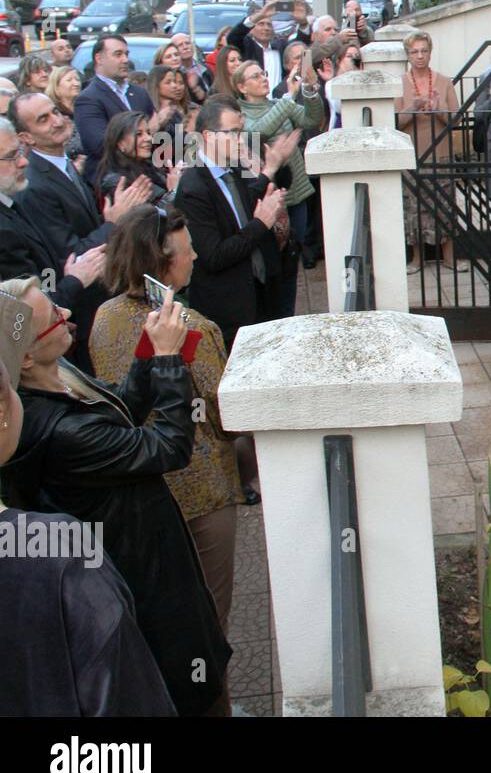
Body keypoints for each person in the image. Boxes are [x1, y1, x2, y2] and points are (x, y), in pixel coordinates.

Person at [0, 275, 232, 716]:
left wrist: (149, 348)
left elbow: (123, 408)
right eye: (54, 318)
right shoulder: (61, 432)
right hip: (143, 580)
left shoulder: (57, 376)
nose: (68, 313)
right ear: (25, 356)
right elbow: (168, 447)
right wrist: (168, 359)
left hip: (146, 556)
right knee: (194, 693)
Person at [90, 204, 244, 636]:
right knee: (212, 617)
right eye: (187, 250)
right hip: (203, 494)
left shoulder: (104, 317)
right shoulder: (192, 328)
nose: (194, 257)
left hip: (141, 487)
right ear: (160, 260)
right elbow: (225, 415)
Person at [174, 95, 290, 349]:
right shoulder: (193, 188)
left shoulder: (234, 168)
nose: (241, 140)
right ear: (208, 136)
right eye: (233, 133)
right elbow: (214, 256)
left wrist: (270, 170)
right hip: (231, 308)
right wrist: (261, 222)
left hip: (260, 291)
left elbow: (243, 205)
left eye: (241, 132)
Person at [0, 116, 107, 359]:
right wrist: (75, 280)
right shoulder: (3, 231)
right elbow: (27, 313)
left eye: (20, 152)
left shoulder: (10, 202)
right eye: (11, 157)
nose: (23, 161)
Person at [233, 58, 320, 318]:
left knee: (292, 260)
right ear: (241, 87)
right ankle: (275, 318)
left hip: (297, 195)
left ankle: (289, 315)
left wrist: (309, 90)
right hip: (268, 200)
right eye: (255, 76)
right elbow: (258, 131)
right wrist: (288, 97)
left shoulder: (277, 104)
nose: (263, 78)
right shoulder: (240, 114)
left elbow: (312, 119)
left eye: (263, 73)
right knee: (274, 265)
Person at [396, 31, 461, 264]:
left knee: (444, 206)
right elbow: (394, 123)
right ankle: (416, 259)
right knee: (413, 208)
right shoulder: (400, 83)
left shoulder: (443, 82)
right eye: (414, 52)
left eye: (424, 50)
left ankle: (450, 258)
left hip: (440, 153)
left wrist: (438, 108)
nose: (420, 56)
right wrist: (412, 107)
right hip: (411, 154)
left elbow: (456, 119)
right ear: (408, 55)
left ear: (431, 53)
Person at [72, 35, 157, 180]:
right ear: (99, 59)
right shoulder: (88, 99)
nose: (125, 60)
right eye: (118, 54)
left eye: (126, 54)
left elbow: (155, 134)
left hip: (146, 173)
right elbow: (100, 146)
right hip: (113, 180)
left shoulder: (140, 93)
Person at [95, 110, 178, 206]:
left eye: (148, 132)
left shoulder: (148, 167)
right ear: (120, 143)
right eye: (139, 134)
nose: (149, 138)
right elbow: (147, 216)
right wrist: (174, 192)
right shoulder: (116, 182)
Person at [227, 2, 310, 93]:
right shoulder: (247, 46)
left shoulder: (281, 46)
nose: (266, 28)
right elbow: (233, 37)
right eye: (261, 24)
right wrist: (260, 15)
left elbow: (301, 47)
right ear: (251, 29)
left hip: (281, 100)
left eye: (269, 24)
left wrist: (303, 23)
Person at [45, 64, 85, 161]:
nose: (76, 84)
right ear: (56, 87)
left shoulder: (85, 107)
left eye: (77, 79)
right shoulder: (54, 114)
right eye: (69, 80)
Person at [146, 64, 198, 136]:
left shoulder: (174, 112)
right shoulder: (149, 112)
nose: (174, 86)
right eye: (168, 82)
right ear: (156, 86)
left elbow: (180, 141)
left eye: (173, 81)